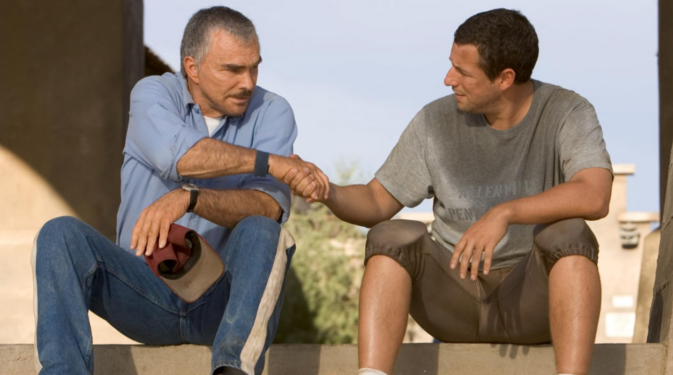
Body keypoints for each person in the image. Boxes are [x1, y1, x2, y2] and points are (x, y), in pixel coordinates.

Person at [285, 8, 612, 375]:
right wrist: (328, 192)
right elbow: (377, 200)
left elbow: (595, 195)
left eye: (463, 72)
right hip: (455, 301)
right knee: (391, 235)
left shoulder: (567, 111)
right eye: (451, 65)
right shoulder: (434, 121)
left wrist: (503, 213)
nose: (447, 79)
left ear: (505, 78)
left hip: (529, 301)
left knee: (571, 233)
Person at [31, 6, 326, 375]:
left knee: (267, 230)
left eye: (254, 67)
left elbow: (268, 206)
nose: (248, 82)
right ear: (192, 67)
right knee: (58, 234)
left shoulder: (273, 111)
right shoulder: (152, 94)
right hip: (140, 292)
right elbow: (182, 157)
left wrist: (191, 199)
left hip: (220, 299)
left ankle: (233, 369)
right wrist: (270, 162)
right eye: (232, 69)